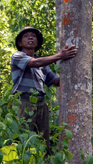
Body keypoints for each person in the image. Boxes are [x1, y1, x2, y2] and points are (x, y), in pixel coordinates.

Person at [10, 26, 77, 154]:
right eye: (26, 36)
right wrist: (60, 56)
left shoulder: (43, 66)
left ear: (37, 42)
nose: (30, 37)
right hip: (23, 102)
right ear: (19, 42)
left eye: (33, 36)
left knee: (43, 140)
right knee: (23, 138)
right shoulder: (17, 56)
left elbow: (56, 81)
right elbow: (34, 63)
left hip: (41, 103)